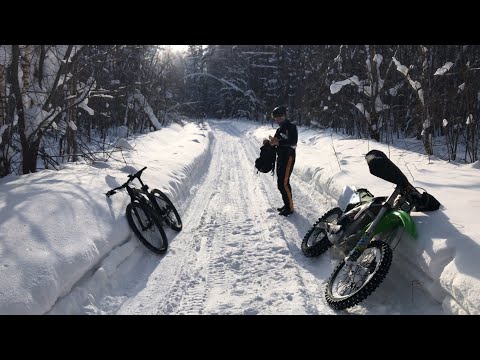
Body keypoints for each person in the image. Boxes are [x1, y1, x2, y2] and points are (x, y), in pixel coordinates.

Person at [265, 106, 298, 216]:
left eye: (279, 117)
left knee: (283, 183)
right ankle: (287, 204)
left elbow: (293, 143)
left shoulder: (291, 127)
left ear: (284, 116)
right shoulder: (279, 130)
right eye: (275, 118)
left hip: (288, 157)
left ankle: (290, 208)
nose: (277, 120)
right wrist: (269, 143)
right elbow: (275, 143)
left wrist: (279, 143)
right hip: (281, 157)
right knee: (281, 183)